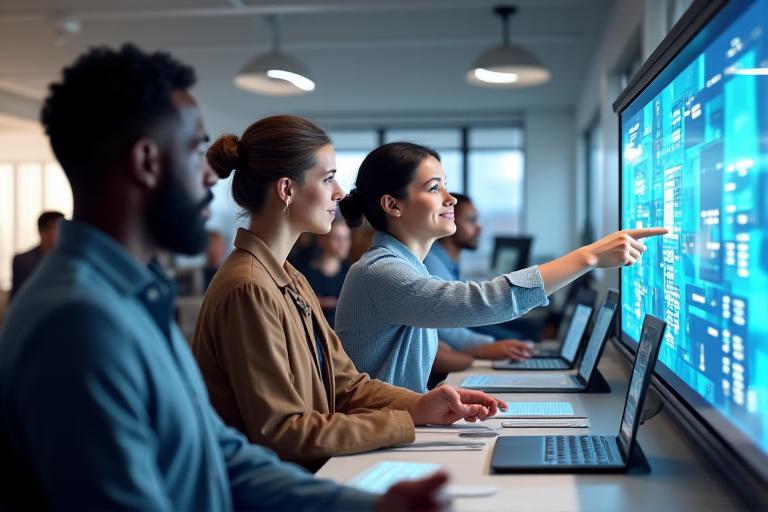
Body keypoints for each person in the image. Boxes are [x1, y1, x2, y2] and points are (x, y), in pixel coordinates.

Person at [0, 45, 448, 511]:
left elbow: (220, 455)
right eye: (195, 151)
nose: (209, 177)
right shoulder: (79, 320)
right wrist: (404, 424)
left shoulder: (131, 296)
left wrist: (370, 506)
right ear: (147, 161)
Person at [193, 115, 505, 471]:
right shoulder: (249, 287)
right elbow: (283, 433)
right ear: (286, 190)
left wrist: (420, 406)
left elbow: (346, 385)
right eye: (328, 179)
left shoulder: (288, 277)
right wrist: (405, 421)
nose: (340, 192)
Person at [335, 142, 667, 392]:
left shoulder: (408, 267)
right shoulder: (381, 271)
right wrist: (588, 257)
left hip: (398, 423)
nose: (450, 198)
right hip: (376, 434)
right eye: (434, 188)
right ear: (392, 205)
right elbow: (484, 302)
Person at [423, 193, 536, 361]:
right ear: (446, 220)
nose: (479, 228)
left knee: (526, 330)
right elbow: (442, 324)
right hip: (454, 337)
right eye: (470, 220)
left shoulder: (445, 261)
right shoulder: (432, 264)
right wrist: (485, 347)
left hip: (462, 329)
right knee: (526, 335)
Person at [303, 218, 351, 327]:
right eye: (337, 238)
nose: (344, 243)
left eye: (347, 238)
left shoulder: (352, 272)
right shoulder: (305, 273)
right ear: (322, 239)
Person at [9, 210, 64, 301]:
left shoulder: (67, 260)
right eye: (57, 229)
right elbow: (16, 298)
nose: (62, 234)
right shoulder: (23, 261)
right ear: (43, 232)